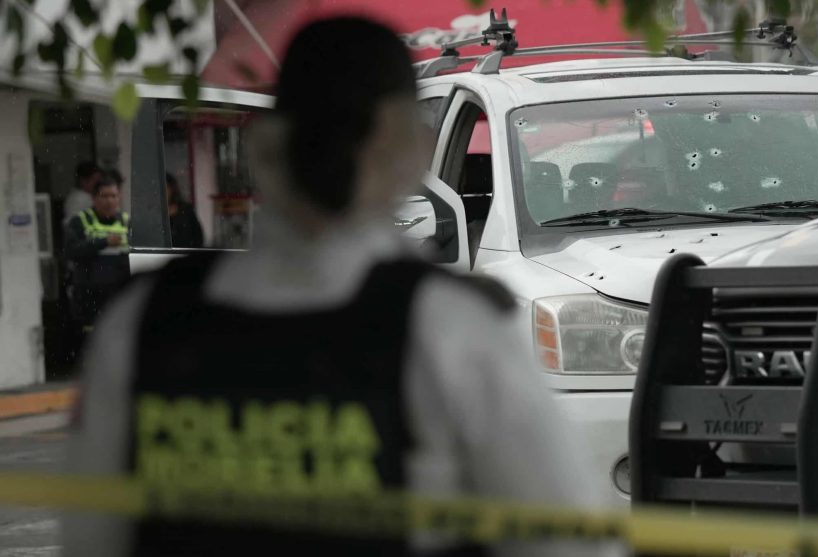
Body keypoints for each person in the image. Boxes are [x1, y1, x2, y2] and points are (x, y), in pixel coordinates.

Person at [65, 17, 612, 557]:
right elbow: (565, 540)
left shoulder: (141, 322)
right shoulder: (451, 330)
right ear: (411, 151)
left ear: (262, 149)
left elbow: (94, 537)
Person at [63, 173, 130, 332]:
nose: (109, 201)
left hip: (119, 296)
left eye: (113, 196)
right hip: (89, 297)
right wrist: (104, 242)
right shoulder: (80, 221)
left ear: (119, 197)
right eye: (104, 196)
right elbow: (71, 251)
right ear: (94, 198)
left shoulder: (127, 222)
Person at [166, 173, 204, 247]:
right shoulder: (154, 213)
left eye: (166, 188)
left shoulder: (186, 209)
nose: (164, 192)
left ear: (172, 189)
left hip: (186, 250)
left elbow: (198, 236)